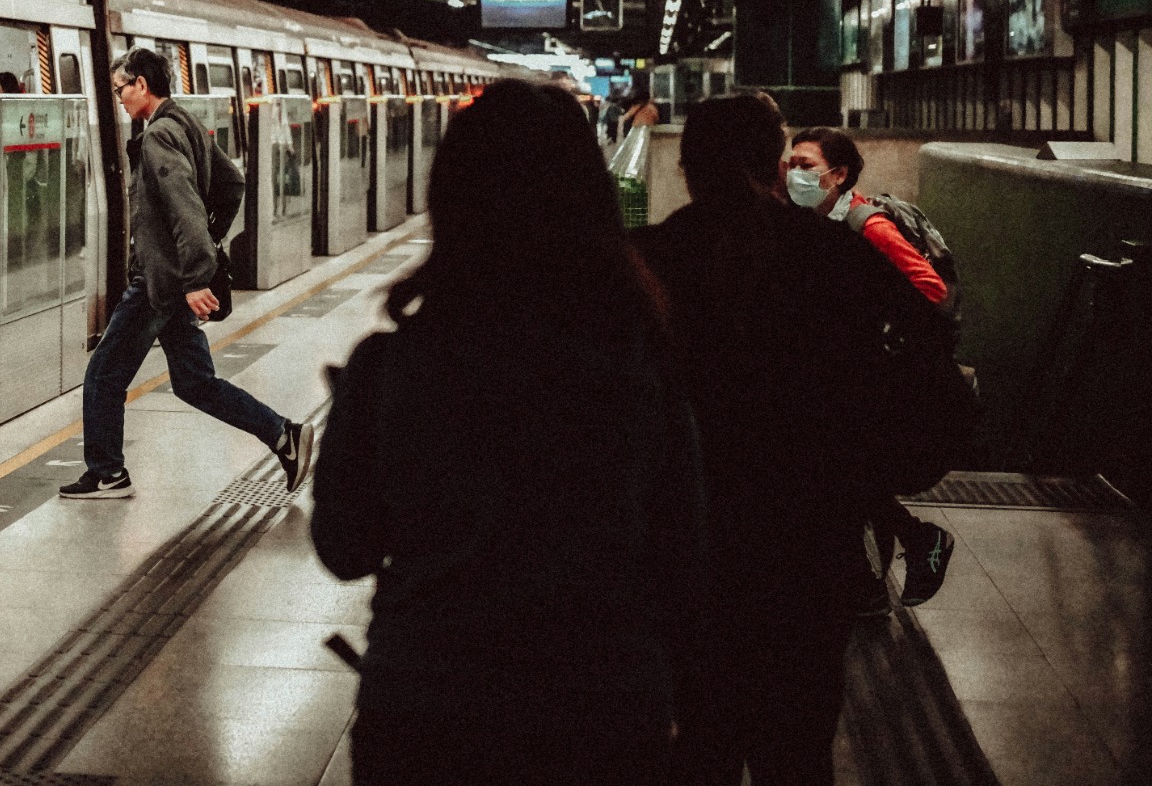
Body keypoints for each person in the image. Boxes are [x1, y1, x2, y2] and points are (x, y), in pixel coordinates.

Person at [312, 80, 704, 785]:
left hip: (430, 703)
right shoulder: (640, 365)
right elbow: (682, 551)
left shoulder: (392, 367)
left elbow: (345, 547)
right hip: (602, 704)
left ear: (449, 200)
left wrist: (364, 432)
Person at [635, 96, 964, 786]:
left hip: (688, 550)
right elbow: (924, 336)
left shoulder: (652, 259)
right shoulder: (835, 253)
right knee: (798, 748)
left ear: (688, 168)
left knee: (699, 743)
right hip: (808, 545)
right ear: (773, 165)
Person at [63, 46, 314, 500]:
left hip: (159, 283)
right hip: (174, 281)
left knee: (103, 375)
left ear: (142, 84)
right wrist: (210, 242)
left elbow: (183, 208)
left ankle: (107, 474)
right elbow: (232, 182)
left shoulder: (160, 135)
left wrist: (197, 273)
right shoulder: (189, 124)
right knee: (195, 382)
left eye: (121, 89)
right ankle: (283, 435)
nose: (118, 98)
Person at [788, 127, 956, 610]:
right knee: (852, 472)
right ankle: (882, 573)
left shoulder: (867, 225)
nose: (795, 173)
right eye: (791, 164)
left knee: (846, 471)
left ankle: (902, 555)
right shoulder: (814, 221)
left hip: (877, 373)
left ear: (838, 175)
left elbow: (931, 289)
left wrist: (875, 316)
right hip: (843, 371)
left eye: (806, 165)